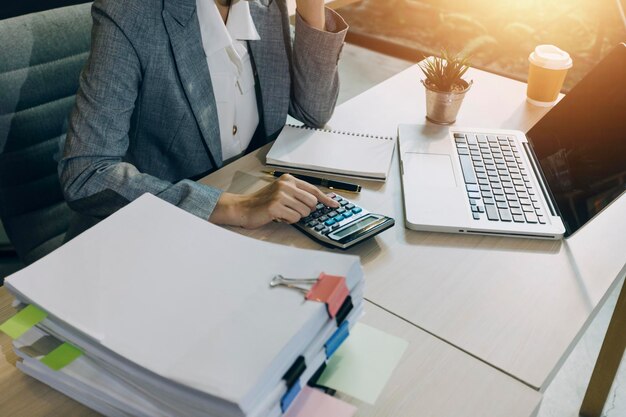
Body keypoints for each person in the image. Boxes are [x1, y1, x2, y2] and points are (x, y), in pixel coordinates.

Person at [58, 0, 347, 236]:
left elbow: (312, 110)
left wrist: (311, 7)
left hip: (247, 223)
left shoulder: (265, 6)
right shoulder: (130, 13)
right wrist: (237, 207)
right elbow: (87, 173)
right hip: (154, 234)